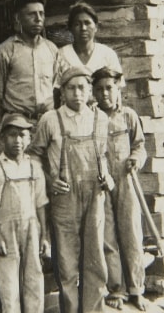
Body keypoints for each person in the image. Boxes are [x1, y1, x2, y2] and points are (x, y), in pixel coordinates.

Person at [29, 65, 112, 313]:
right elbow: (33, 155)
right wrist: (48, 179)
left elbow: (103, 155)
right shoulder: (50, 120)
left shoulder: (100, 119)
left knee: (95, 259)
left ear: (89, 91)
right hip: (64, 197)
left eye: (82, 88)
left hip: (94, 195)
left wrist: (107, 175)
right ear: (63, 92)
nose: (77, 93)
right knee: (66, 263)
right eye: (71, 88)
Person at [92, 67, 149, 311]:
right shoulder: (91, 118)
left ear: (118, 88)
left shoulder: (128, 116)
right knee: (108, 236)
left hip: (126, 180)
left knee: (131, 233)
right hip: (102, 184)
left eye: (109, 88)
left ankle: (136, 289)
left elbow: (139, 145)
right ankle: (116, 289)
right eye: (99, 89)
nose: (104, 93)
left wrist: (136, 158)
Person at [0, 113, 51, 313]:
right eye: (12, 135)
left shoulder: (34, 166)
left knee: (34, 278)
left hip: (31, 227)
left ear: (29, 138)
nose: (17, 140)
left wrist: (44, 235)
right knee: (9, 283)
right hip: (5, 230)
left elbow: (41, 203)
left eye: (22, 135)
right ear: (2, 138)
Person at [0, 0, 58, 122]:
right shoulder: (6, 50)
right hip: (17, 123)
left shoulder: (51, 49)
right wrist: (8, 122)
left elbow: (56, 88)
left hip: (47, 121)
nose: (38, 19)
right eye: (32, 14)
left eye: (41, 13)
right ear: (18, 18)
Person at [54, 1, 122, 97]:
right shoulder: (61, 55)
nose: (83, 28)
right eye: (77, 24)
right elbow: (56, 90)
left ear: (96, 27)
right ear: (70, 28)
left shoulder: (108, 55)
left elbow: (117, 90)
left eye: (87, 23)